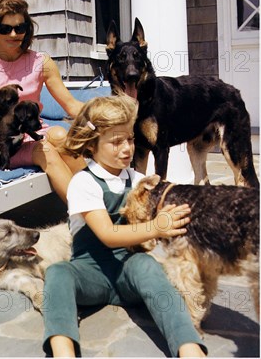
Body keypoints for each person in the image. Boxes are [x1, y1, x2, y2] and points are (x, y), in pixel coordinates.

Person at [42, 94, 207, 358]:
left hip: (129, 273)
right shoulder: (83, 183)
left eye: (130, 139)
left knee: (147, 265)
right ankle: (64, 351)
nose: (127, 148)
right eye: (116, 142)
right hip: (90, 275)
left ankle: (189, 348)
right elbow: (107, 235)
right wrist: (156, 228)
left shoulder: (137, 178)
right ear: (92, 146)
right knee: (58, 273)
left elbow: (168, 199)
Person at [0, 0, 84, 202]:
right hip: (0, 144)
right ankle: (89, 216)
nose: (14, 34)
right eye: (5, 28)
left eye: (20, 28)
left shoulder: (41, 62)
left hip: (33, 134)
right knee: (44, 149)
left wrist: (109, 117)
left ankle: (100, 203)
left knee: (59, 135)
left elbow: (71, 105)